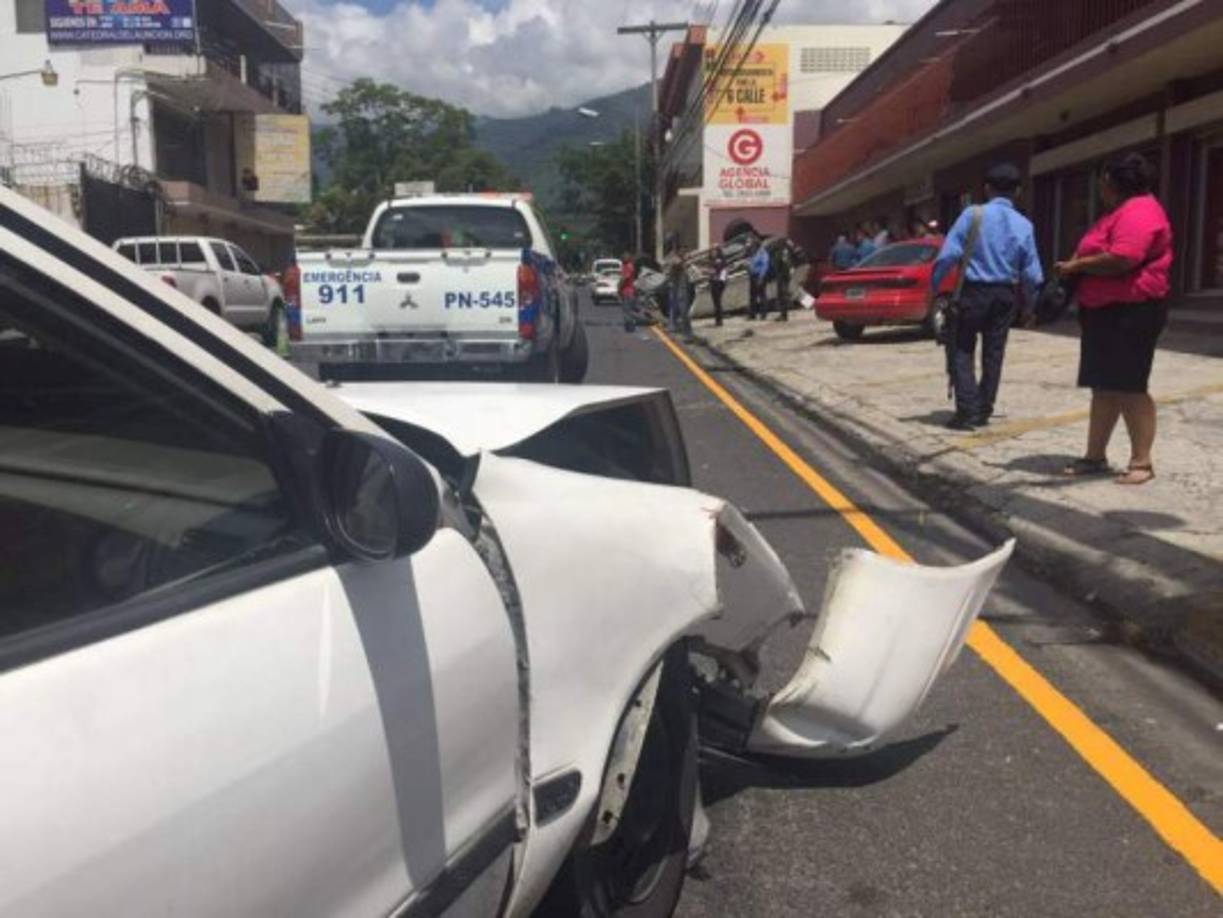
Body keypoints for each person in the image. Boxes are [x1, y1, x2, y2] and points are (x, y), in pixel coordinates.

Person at [1056, 153, 1172, 486]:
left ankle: (1142, 461)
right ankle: (1095, 456)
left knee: (1129, 386)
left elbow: (1124, 257)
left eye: (1103, 180)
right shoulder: (1119, 211)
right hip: (1104, 312)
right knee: (1104, 387)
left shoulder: (1140, 211)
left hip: (1132, 311)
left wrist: (1075, 267)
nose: (1100, 187)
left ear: (1112, 181)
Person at [931, 162, 1044, 430]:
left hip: (972, 292)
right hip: (1005, 295)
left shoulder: (972, 214)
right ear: (1017, 191)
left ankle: (967, 411)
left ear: (986, 189)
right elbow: (1033, 275)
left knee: (961, 350)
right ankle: (983, 408)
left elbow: (948, 255)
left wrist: (935, 288)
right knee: (994, 354)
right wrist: (1030, 305)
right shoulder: (1024, 225)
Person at [664, 238, 692, 335]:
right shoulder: (674, 258)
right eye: (682, 250)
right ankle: (673, 325)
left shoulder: (681, 259)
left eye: (685, 250)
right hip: (675, 285)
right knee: (673, 306)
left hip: (681, 286)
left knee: (683, 308)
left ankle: (686, 331)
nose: (683, 252)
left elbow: (679, 264)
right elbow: (673, 264)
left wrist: (684, 260)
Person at [747, 240, 771, 320]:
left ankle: (763, 314)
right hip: (753, 276)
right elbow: (751, 263)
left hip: (760, 276)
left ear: (757, 245)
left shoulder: (762, 253)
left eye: (753, 245)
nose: (751, 247)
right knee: (752, 296)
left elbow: (765, 265)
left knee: (762, 296)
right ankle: (752, 315)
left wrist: (761, 277)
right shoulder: (753, 253)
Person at [618, 252, 638, 333]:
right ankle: (629, 327)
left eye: (624, 257)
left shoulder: (628, 266)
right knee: (627, 310)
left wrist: (619, 288)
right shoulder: (625, 266)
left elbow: (624, 279)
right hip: (627, 292)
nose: (623, 259)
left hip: (628, 292)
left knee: (627, 311)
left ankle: (630, 328)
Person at [710, 247, 728, 327]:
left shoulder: (719, 261)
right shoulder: (714, 260)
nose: (712, 252)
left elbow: (716, 271)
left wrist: (706, 272)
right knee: (716, 303)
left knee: (717, 303)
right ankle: (717, 320)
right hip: (715, 282)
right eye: (712, 251)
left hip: (718, 283)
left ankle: (719, 321)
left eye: (714, 251)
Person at [774, 243, 792, 322]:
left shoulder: (783, 253)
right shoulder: (784, 253)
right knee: (782, 295)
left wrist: (784, 275)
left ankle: (784, 315)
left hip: (783, 277)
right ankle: (783, 314)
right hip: (782, 276)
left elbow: (785, 265)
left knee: (783, 296)